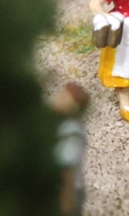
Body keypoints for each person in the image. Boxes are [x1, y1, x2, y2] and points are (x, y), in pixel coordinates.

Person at [50, 82, 90, 216]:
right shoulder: (60, 124)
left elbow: (68, 168)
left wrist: (67, 196)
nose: (57, 98)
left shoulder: (71, 131)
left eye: (63, 96)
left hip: (67, 190)